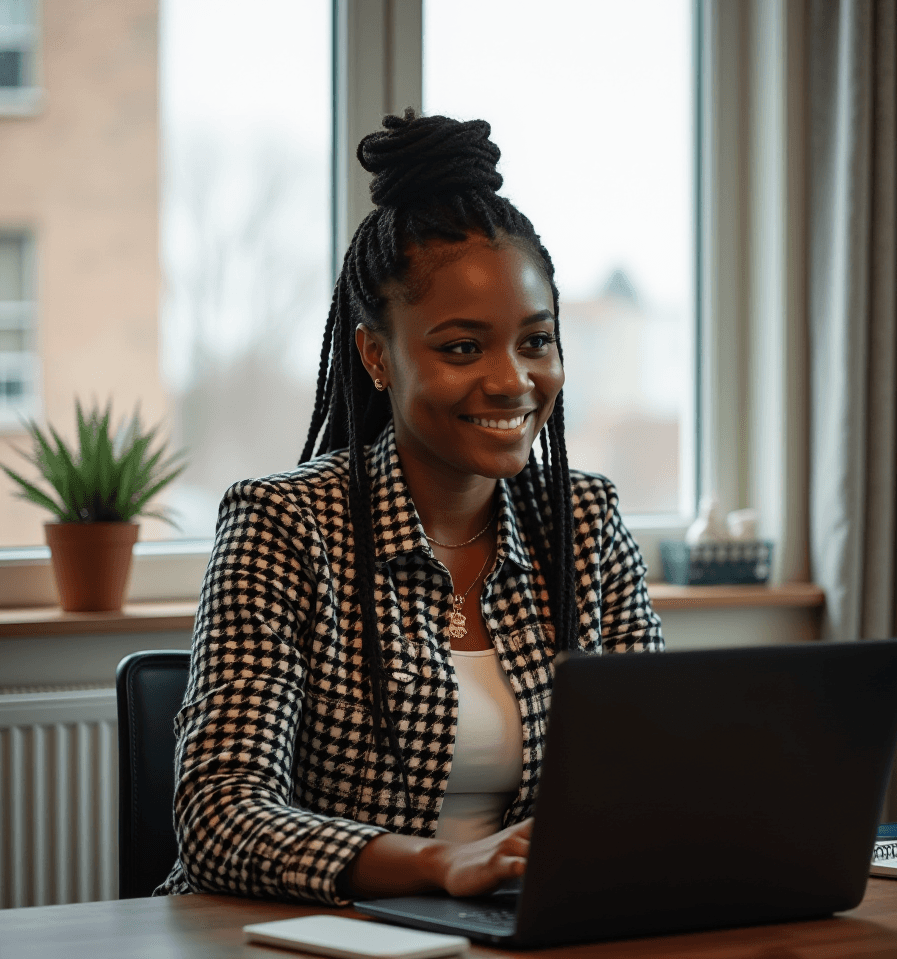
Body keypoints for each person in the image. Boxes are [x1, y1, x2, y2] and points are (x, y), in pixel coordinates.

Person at [156, 111, 664, 905]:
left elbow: (655, 772)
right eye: (463, 347)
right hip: (309, 931)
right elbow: (221, 816)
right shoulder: (285, 525)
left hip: (525, 929)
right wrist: (441, 864)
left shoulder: (585, 522)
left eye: (535, 341)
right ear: (374, 355)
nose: (511, 380)